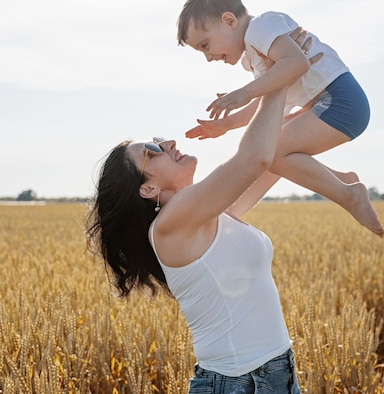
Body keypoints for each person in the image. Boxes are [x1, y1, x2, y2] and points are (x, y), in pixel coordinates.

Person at [86, 88, 301, 393]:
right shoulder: (170, 226)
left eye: (159, 139)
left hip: (279, 371)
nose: (169, 143)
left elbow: (275, 152)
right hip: (237, 383)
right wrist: (275, 79)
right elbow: (256, 157)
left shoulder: (209, 215)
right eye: (152, 149)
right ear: (147, 190)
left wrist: (303, 92)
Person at [176, 0, 384, 237]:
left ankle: (348, 194)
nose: (208, 57)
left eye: (206, 45)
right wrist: (226, 124)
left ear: (229, 21)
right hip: (329, 105)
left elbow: (297, 63)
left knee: (271, 152)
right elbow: (272, 103)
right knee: (270, 145)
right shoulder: (256, 52)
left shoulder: (261, 27)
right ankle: (231, 217)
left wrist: (245, 92)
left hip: (341, 103)